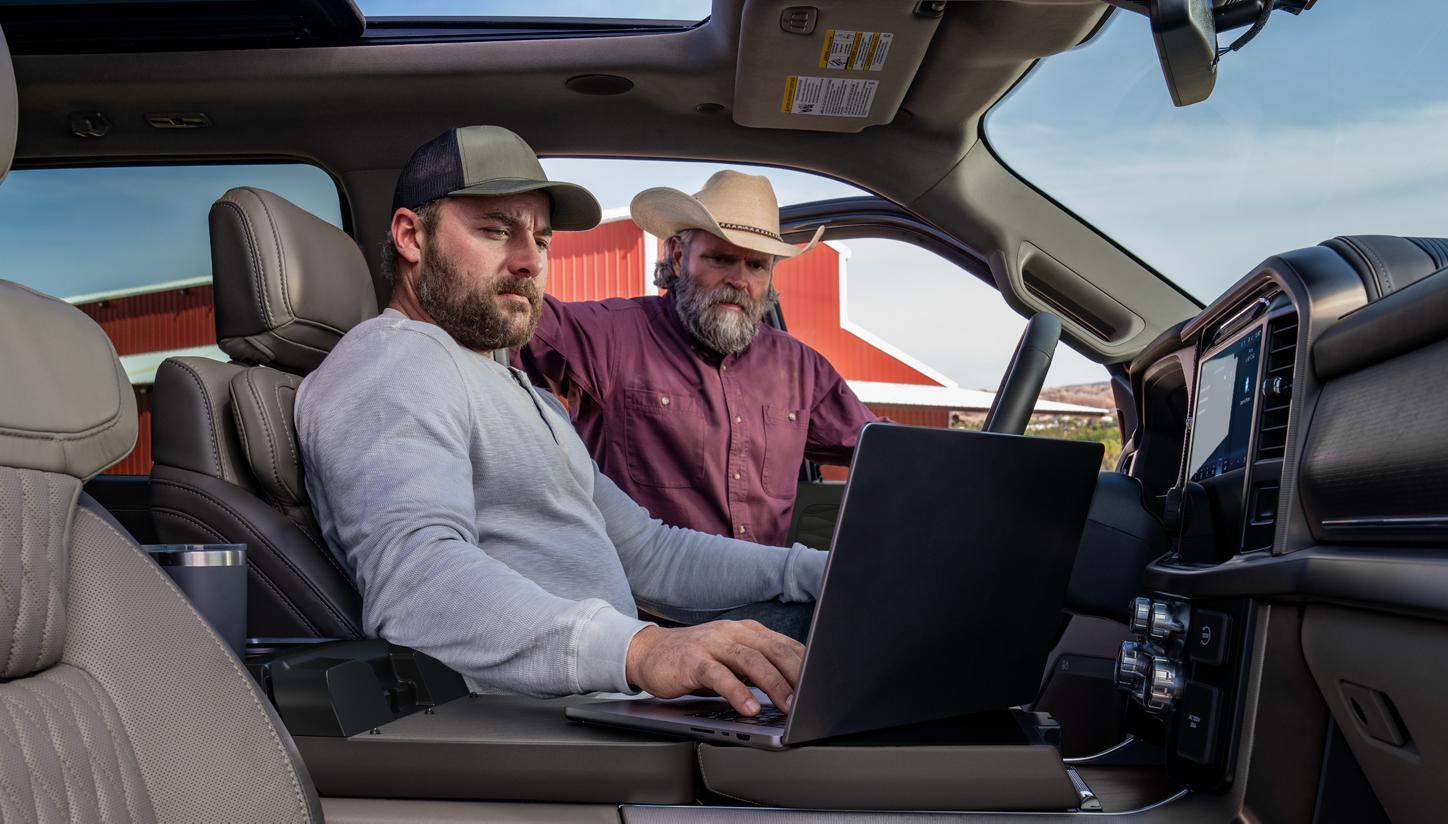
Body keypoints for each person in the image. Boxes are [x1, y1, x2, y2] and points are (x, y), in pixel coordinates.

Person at [296, 125, 826, 718]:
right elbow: (417, 584)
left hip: (609, 706)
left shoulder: (523, 391)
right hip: (539, 738)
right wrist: (642, 650)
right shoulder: (394, 361)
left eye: (541, 240)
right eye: (496, 231)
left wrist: (816, 570)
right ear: (411, 237)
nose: (529, 261)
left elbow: (651, 553)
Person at [514, 170, 883, 549]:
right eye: (721, 259)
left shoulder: (801, 370)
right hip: (643, 603)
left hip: (764, 596)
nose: (739, 280)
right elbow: (508, 320)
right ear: (677, 256)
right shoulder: (611, 336)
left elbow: (885, 451)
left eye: (756, 266)